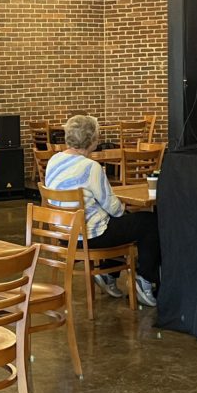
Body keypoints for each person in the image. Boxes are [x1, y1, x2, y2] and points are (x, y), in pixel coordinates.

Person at [44, 114, 161, 307]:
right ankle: (144, 280)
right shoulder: (91, 167)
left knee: (120, 224)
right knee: (148, 223)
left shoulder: (54, 160)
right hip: (88, 237)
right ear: (91, 140)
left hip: (65, 234)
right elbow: (114, 209)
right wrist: (126, 208)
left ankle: (109, 274)